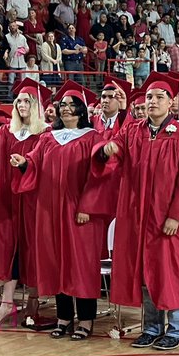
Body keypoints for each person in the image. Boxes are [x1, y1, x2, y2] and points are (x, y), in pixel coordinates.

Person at [93, 73, 179, 350]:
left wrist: (176, 215)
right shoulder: (133, 131)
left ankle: (177, 329)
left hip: (166, 219)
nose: (152, 101)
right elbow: (112, 153)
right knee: (144, 272)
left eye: (159, 97)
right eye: (149, 97)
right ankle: (152, 327)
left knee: (169, 272)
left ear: (171, 102)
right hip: (136, 216)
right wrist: (106, 150)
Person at [11, 81, 110, 340]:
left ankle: (85, 320)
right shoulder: (48, 139)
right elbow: (33, 163)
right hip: (51, 212)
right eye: (62, 105)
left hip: (80, 213)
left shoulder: (93, 138)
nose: (65, 108)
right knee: (56, 263)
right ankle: (64, 318)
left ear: (81, 110)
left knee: (81, 265)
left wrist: (88, 206)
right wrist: (23, 163)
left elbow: (99, 177)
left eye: (71, 105)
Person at [0, 79, 48, 330]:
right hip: (9, 198)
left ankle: (33, 302)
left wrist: (26, 165)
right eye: (19, 101)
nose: (21, 105)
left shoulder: (45, 133)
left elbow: (46, 166)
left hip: (33, 199)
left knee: (34, 249)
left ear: (36, 105)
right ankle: (7, 302)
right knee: (11, 249)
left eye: (27, 101)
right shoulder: (8, 132)